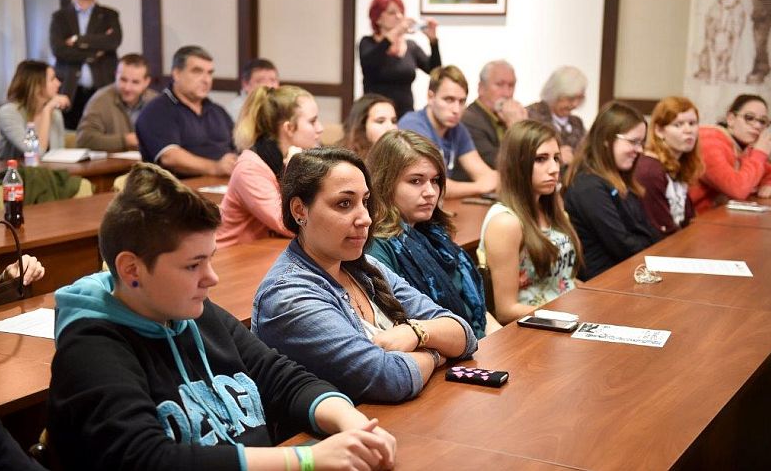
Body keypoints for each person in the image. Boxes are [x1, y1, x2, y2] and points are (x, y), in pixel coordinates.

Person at [48, 162, 396, 471]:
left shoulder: (196, 314)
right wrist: (305, 460)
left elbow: (280, 377)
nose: (211, 278)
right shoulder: (91, 351)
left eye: (210, 259)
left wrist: (352, 423)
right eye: (193, 265)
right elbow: (148, 458)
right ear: (131, 269)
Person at [253, 148, 477, 403]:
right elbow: (389, 378)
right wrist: (435, 353)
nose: (366, 219)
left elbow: (463, 333)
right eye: (344, 204)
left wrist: (416, 333)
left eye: (366, 202)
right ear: (299, 210)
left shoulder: (365, 267)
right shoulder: (287, 297)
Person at [366, 130, 500, 338]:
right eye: (415, 181)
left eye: (435, 180)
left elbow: (476, 309)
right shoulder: (376, 246)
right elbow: (399, 326)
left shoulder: (433, 232)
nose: (430, 192)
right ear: (385, 183)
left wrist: (501, 340)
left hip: (475, 341)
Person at [478, 121, 582, 324]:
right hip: (538, 326)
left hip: (567, 313)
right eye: (541, 159)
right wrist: (570, 315)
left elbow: (563, 280)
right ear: (517, 164)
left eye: (556, 158)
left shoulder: (550, 207)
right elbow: (506, 310)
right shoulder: (505, 222)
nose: (554, 169)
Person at [563, 101, 660, 281]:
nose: (639, 150)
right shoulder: (588, 187)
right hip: (604, 282)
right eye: (633, 142)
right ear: (606, 139)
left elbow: (645, 229)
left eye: (641, 143)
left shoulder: (620, 178)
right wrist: (654, 249)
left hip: (628, 272)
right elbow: (622, 245)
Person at [216, 86, 322, 248]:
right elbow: (289, 225)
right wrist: (295, 173)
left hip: (266, 250)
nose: (320, 128)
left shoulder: (293, 158)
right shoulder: (249, 168)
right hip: (231, 255)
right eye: (312, 122)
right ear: (289, 128)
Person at [398, 65, 499, 199]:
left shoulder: (458, 129)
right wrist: (479, 187)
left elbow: (484, 174)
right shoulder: (413, 125)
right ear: (430, 97)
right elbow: (431, 184)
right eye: (449, 100)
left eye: (461, 101)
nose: (456, 109)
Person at [136, 45, 237, 177]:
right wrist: (215, 167)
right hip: (179, 187)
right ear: (177, 74)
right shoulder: (156, 110)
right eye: (197, 72)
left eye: (210, 73)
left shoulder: (217, 111)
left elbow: (239, 146)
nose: (206, 80)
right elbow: (170, 157)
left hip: (224, 183)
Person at [49, 0, 121, 130]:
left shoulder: (110, 15)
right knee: (68, 136)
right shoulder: (59, 17)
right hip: (70, 90)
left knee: (103, 133)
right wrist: (94, 52)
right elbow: (59, 49)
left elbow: (113, 41)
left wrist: (77, 40)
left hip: (101, 87)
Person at [359, 0, 440, 118]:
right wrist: (396, 31)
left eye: (401, 12)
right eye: (392, 13)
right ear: (378, 18)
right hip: (376, 115)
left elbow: (435, 71)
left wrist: (433, 41)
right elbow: (370, 65)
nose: (399, 16)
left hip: (405, 116)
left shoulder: (411, 46)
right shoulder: (368, 43)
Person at [689, 94, 771, 212]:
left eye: (762, 121)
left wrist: (770, 184)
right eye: (749, 118)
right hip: (692, 218)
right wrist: (759, 154)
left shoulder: (744, 145)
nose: (757, 126)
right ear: (731, 119)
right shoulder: (708, 141)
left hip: (720, 215)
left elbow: (770, 172)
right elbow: (737, 190)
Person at [635, 96, 703, 235]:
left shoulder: (678, 165)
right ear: (659, 131)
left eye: (692, 123)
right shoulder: (650, 171)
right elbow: (661, 229)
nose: (688, 130)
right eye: (678, 125)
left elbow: (687, 220)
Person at [76, 53, 158, 151]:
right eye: (123, 80)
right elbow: (84, 140)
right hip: (111, 160)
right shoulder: (100, 100)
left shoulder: (156, 102)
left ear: (146, 82)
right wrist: (125, 140)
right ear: (116, 75)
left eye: (135, 82)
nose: (127, 88)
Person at [459, 60, 527, 174]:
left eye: (511, 86)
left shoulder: (511, 115)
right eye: (499, 84)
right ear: (481, 88)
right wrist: (516, 129)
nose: (507, 93)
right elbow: (500, 165)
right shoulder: (468, 120)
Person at [0, 60, 70, 160]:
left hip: (46, 169)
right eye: (52, 79)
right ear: (37, 86)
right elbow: (36, 152)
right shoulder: (8, 113)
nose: (58, 83)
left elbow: (59, 154)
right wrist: (47, 110)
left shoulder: (55, 113)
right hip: (13, 170)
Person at [526, 66, 588, 165]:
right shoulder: (530, 116)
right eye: (570, 98)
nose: (575, 104)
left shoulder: (577, 123)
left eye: (580, 98)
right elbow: (523, 153)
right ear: (554, 93)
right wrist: (555, 155)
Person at [338, 94, 397, 160]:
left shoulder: (400, 156)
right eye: (380, 121)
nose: (391, 128)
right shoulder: (344, 160)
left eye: (393, 121)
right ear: (362, 126)